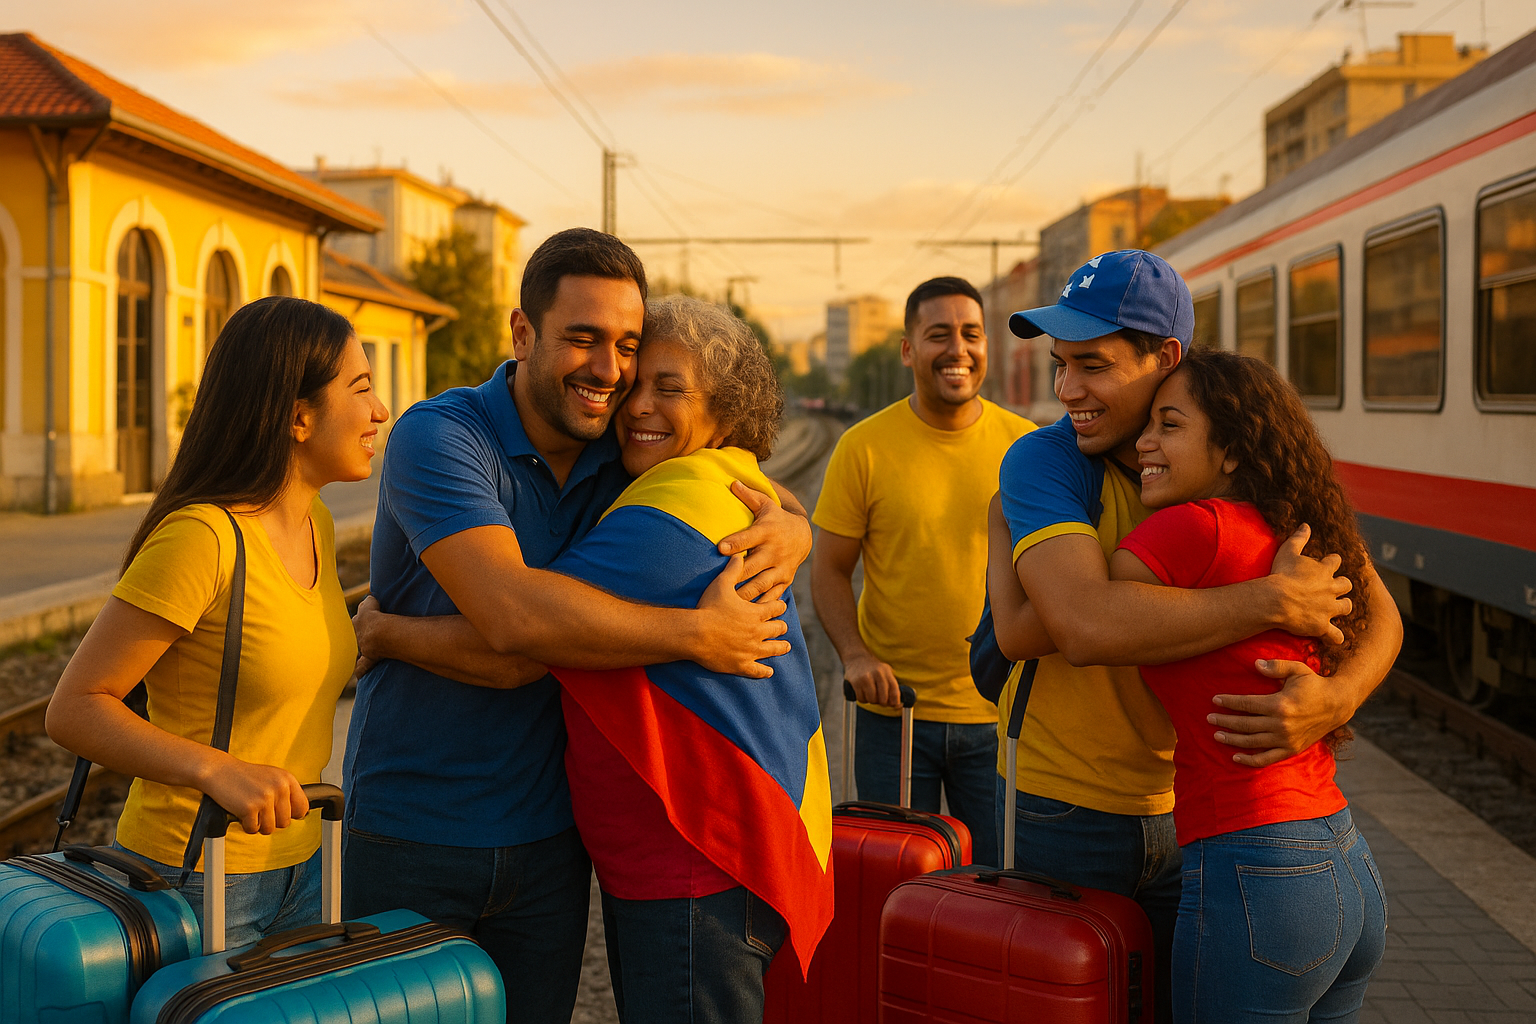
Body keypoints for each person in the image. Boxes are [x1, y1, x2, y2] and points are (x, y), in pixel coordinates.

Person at [342, 229, 812, 1023]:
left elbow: (737, 481)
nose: (609, 371)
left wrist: (796, 530)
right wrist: (696, 635)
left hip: (550, 839)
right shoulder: (441, 436)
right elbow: (516, 628)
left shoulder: (615, 459)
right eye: (583, 339)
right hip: (417, 829)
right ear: (522, 333)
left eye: (626, 346)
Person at [983, 249, 1402, 1023]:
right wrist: (1272, 598)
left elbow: (1380, 610)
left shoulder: (1228, 461)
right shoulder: (1046, 461)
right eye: (1059, 365)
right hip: (1074, 811)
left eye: (1093, 365)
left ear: (1165, 357)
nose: (1067, 390)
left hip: (1211, 830)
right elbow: (1080, 624)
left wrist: (1334, 698)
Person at [46, 297, 386, 945]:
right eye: (361, 388)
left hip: (306, 861)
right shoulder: (201, 537)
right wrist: (215, 769)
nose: (379, 411)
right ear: (297, 417)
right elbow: (75, 708)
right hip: (198, 871)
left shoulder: (316, 522)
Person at [1112, 348, 1388, 1021]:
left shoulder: (1188, 530)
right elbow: (1386, 617)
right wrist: (1341, 695)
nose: (1143, 442)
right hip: (1345, 864)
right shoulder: (1300, 531)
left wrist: (1007, 524)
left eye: (1168, 426)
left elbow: (1089, 627)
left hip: (1256, 871)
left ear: (1232, 450)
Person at [811, 277, 1032, 857]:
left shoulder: (1028, 449)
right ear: (908, 350)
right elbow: (829, 570)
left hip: (1000, 715)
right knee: (898, 882)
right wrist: (855, 656)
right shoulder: (864, 447)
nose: (958, 349)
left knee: (998, 885)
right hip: (895, 714)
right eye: (939, 335)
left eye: (971, 334)